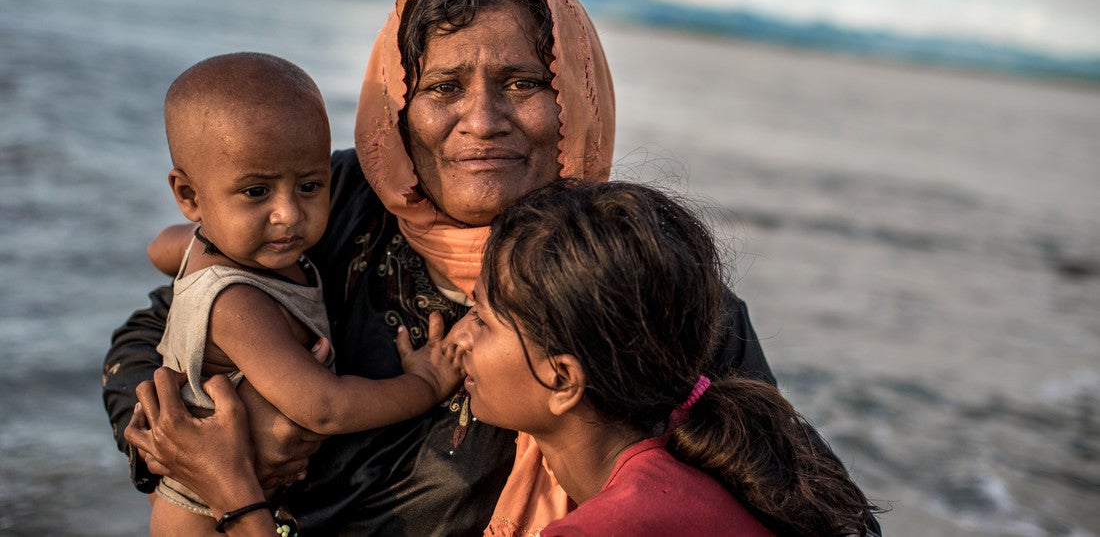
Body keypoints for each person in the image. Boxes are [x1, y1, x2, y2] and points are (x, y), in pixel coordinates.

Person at [105, 0, 879, 536]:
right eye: (443, 88)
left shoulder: (639, 277)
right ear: (400, 108)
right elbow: (162, 327)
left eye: (521, 82)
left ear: (573, 94)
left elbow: (793, 496)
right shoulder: (330, 202)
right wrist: (193, 441)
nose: (482, 121)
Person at [125, 179, 879, 536]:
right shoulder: (687, 465)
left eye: (479, 320)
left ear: (561, 378)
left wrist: (233, 490)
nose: (457, 339)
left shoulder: (607, 527)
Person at [146, 53, 462, 535]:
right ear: (190, 196)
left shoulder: (208, 240)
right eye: (256, 192)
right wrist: (425, 386)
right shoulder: (238, 304)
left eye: (310, 185)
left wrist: (194, 240)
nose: (289, 214)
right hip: (202, 513)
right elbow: (324, 407)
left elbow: (159, 249)